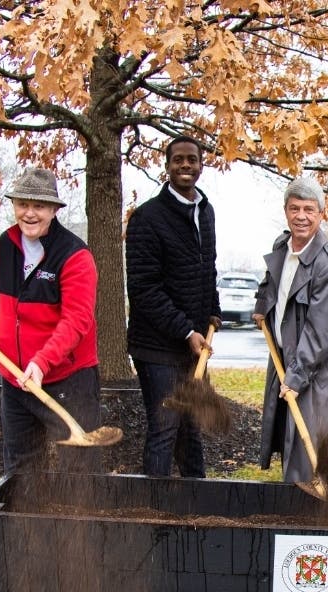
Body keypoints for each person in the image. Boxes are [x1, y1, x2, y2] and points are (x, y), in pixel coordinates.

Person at [0, 167, 101, 474]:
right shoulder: (9, 243)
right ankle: (24, 519)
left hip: (66, 378)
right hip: (15, 375)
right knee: (21, 465)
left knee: (79, 467)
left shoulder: (74, 257)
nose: (29, 213)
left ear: (54, 210)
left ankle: (82, 521)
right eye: (22, 204)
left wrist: (43, 362)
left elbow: (76, 321)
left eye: (39, 206)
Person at [125, 134, 221, 478]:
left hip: (192, 343)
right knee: (165, 427)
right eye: (178, 160)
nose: (185, 165)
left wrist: (213, 310)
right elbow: (143, 289)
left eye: (191, 160)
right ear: (167, 167)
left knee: (190, 427)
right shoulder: (147, 218)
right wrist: (185, 330)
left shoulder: (205, 212)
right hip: (156, 347)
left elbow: (207, 266)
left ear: (201, 165)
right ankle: (155, 510)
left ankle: (197, 502)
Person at [252, 177, 328, 484]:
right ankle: (293, 511)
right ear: (286, 211)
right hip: (287, 360)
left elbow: (322, 332)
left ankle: (312, 520)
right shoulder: (282, 247)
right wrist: (261, 305)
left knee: (311, 449)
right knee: (288, 438)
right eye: (294, 208)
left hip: (317, 372)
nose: (301, 216)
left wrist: (296, 375)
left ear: (321, 214)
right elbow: (270, 283)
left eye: (309, 209)